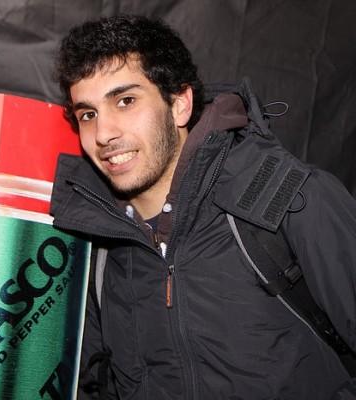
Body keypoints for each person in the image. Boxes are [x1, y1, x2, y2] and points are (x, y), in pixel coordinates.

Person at [49, 15, 356, 400]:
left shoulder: (289, 198)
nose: (104, 133)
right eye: (88, 114)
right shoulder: (94, 249)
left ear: (179, 104)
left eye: (125, 101)